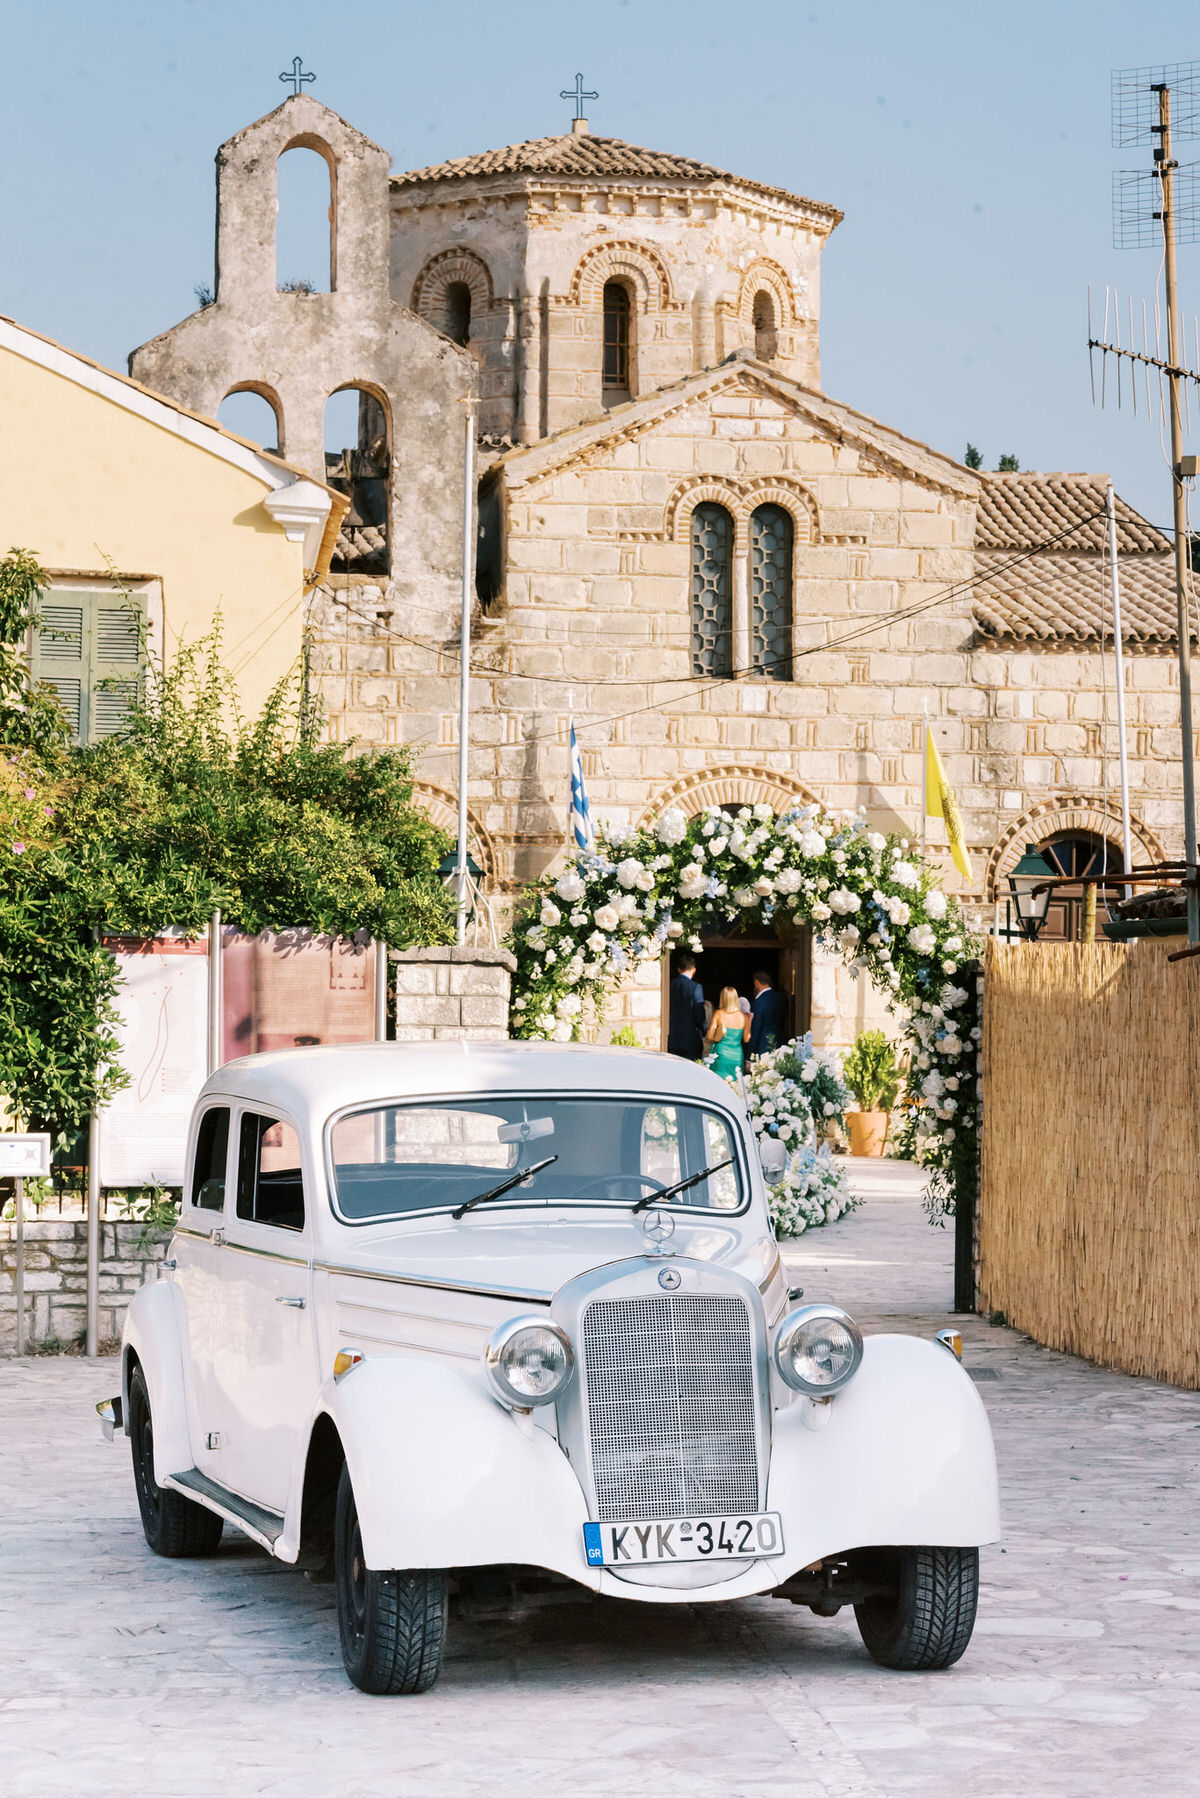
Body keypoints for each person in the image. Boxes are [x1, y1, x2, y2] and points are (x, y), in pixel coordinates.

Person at [705, 984, 751, 1081]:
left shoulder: (719, 1014)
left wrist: (718, 1036)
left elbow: (709, 1035)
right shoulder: (743, 1017)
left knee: (718, 1082)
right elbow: (746, 1039)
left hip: (720, 1054)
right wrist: (750, 1021)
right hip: (736, 1055)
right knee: (735, 1083)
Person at [666, 954, 707, 1060]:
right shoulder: (696, 987)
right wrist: (704, 1030)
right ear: (694, 970)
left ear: (679, 969)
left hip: (672, 1037)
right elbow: (699, 1013)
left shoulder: (669, 985)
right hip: (691, 1038)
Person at [748, 969, 786, 1060]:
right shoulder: (780, 998)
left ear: (756, 983)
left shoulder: (758, 1003)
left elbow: (756, 1030)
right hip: (780, 1044)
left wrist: (750, 1055)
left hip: (762, 1048)